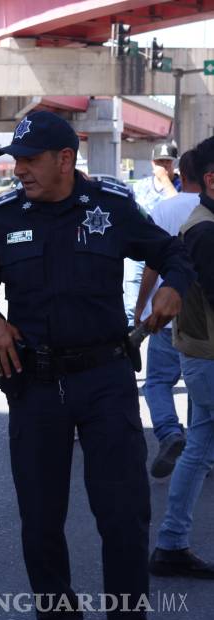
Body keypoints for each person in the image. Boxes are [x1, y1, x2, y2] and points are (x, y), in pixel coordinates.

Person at [0, 111, 193, 620]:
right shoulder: (2, 216)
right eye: (14, 160)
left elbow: (171, 251)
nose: (19, 170)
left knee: (122, 517)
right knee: (41, 519)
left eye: (30, 160)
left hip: (105, 380)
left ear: (65, 160)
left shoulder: (110, 209)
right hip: (34, 383)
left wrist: (172, 286)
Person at [151, 137, 214, 580]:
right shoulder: (205, 229)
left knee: (198, 449)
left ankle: (171, 542)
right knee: (198, 448)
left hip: (202, 354)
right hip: (208, 358)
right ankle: (170, 543)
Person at [134, 150, 202, 478]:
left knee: (159, 380)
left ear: (180, 173)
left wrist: (140, 305)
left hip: (165, 309)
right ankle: (199, 446)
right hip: (202, 313)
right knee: (195, 381)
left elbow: (151, 264)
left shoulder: (164, 208)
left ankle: (169, 433)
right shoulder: (207, 209)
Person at [123, 142, 181, 329]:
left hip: (166, 248)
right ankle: (132, 331)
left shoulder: (180, 185)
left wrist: (165, 180)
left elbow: (178, 206)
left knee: (161, 297)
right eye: (159, 162)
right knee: (131, 297)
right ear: (152, 163)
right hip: (139, 250)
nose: (164, 166)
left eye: (168, 162)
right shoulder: (140, 186)